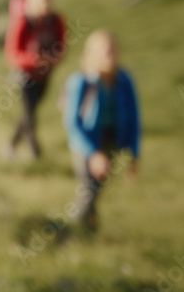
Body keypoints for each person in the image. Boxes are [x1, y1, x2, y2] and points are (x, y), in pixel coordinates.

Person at [62, 29, 140, 230]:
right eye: (105, 51)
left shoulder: (124, 80)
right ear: (92, 54)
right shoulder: (81, 82)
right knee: (88, 190)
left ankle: (87, 230)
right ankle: (72, 231)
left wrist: (134, 153)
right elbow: (72, 123)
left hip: (111, 141)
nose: (110, 55)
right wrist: (93, 153)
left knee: (95, 190)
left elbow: (134, 116)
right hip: (85, 143)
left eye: (113, 50)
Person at [3, 0, 66, 160]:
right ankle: (36, 154)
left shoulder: (56, 20)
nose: (45, 0)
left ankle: (10, 146)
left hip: (45, 76)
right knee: (30, 115)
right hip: (24, 76)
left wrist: (54, 59)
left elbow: (62, 47)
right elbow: (11, 55)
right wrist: (34, 60)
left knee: (29, 113)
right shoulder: (23, 22)